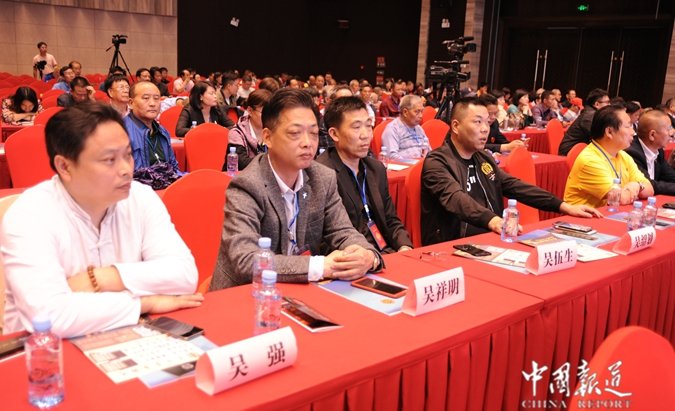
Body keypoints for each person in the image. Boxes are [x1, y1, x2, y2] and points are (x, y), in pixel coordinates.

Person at [1, 103, 201, 337]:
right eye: (109, 160)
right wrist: (144, 303)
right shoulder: (30, 214)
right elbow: (50, 316)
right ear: (64, 166)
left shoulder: (141, 197)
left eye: (128, 155)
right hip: (43, 350)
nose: (126, 169)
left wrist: (101, 278)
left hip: (127, 335)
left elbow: (184, 275)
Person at [209, 89, 383, 290]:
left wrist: (367, 256)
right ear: (268, 137)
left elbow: (343, 231)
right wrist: (321, 266)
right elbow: (247, 261)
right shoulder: (247, 185)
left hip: (300, 291)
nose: (308, 143)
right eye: (295, 133)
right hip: (246, 294)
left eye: (313, 133)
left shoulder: (322, 178)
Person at [421, 98, 601, 245]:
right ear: (455, 126)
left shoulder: (482, 158)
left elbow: (514, 186)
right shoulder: (437, 162)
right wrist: (493, 220)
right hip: (454, 245)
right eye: (477, 122)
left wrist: (563, 205)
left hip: (491, 239)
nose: (485, 129)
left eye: (487, 122)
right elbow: (456, 199)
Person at [316, 96, 413, 253]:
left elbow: (390, 219)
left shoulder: (375, 168)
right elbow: (326, 238)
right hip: (353, 256)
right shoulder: (322, 174)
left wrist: (404, 247)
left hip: (386, 252)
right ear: (334, 134)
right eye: (356, 127)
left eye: (368, 126)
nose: (366, 135)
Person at [564, 105, 654, 207]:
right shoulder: (590, 160)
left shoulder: (623, 155)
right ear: (609, 132)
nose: (633, 132)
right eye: (628, 126)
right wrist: (634, 189)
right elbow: (620, 199)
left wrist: (637, 185)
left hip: (609, 213)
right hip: (584, 216)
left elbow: (650, 189)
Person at [123, 82, 181, 173]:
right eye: (146, 98)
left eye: (156, 98)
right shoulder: (122, 131)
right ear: (131, 103)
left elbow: (174, 167)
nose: (152, 103)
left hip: (165, 179)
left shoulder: (163, 131)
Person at [624, 109, 675, 195]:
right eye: (668, 129)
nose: (671, 133)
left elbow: (670, 175)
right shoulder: (632, 153)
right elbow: (648, 184)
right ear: (652, 135)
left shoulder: (658, 151)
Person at [225, 89, 272, 170]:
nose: (268, 117)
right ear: (250, 111)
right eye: (264, 113)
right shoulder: (237, 132)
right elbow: (241, 163)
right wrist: (272, 163)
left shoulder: (273, 131)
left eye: (271, 113)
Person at [558, 88, 611, 155]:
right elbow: (600, 138)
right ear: (597, 104)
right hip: (569, 152)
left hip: (580, 151)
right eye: (607, 102)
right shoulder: (588, 117)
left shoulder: (594, 114)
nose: (609, 105)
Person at [381, 94, 431, 160]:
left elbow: (429, 150)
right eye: (417, 112)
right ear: (405, 112)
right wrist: (412, 163)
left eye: (422, 111)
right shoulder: (393, 129)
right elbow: (391, 156)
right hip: (405, 165)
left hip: (423, 163)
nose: (421, 116)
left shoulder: (419, 128)